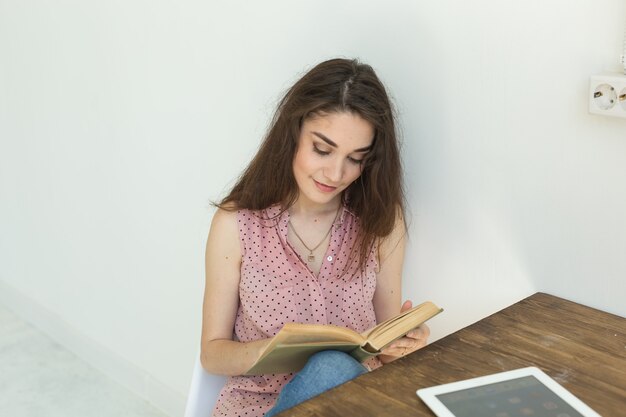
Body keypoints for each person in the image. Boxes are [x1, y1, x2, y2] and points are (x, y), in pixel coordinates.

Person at [201, 58, 430, 417]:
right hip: (262, 406)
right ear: (292, 133)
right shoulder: (236, 224)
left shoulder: (381, 223)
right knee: (329, 367)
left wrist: (400, 345)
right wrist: (273, 351)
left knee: (337, 371)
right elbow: (212, 353)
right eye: (322, 150)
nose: (336, 173)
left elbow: (383, 346)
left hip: (350, 404)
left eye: (355, 159)